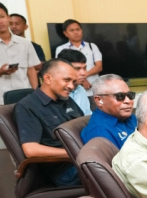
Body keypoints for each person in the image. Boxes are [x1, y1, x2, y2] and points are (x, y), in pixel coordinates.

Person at [13, 58, 81, 186]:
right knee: (117, 171)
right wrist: (75, 153)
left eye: (73, 82)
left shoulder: (65, 99)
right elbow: (31, 150)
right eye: (67, 80)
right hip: (63, 171)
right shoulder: (27, 106)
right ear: (48, 78)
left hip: (81, 160)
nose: (71, 86)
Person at [0, 1, 39, 106]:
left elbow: (31, 69)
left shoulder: (25, 43)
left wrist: (36, 93)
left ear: (8, 18)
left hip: (25, 98)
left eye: (2, 16)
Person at [55, 19, 102, 90]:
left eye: (78, 29)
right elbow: (61, 69)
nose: (76, 32)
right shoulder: (61, 49)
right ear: (65, 33)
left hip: (94, 86)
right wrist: (82, 80)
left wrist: (84, 76)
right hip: (72, 87)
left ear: (81, 30)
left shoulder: (91, 46)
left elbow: (99, 67)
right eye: (72, 30)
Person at [57, 49, 92, 116]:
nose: (83, 73)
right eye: (77, 69)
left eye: (84, 68)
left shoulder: (81, 90)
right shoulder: (57, 92)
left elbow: (87, 115)